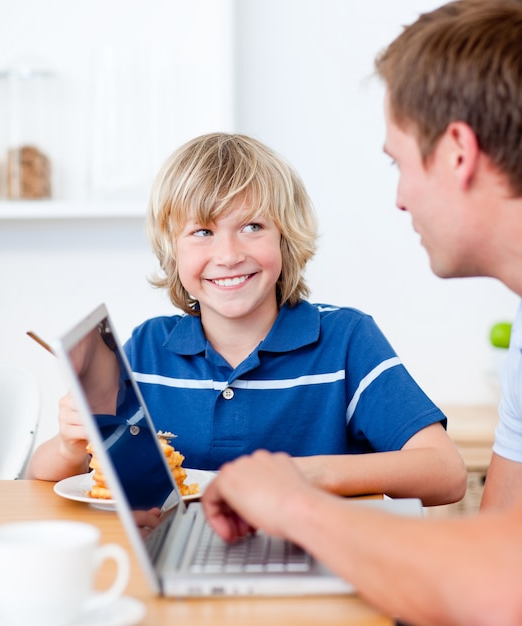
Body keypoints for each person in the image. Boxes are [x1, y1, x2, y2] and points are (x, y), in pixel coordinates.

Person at [201, 2, 522, 624]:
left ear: (458, 152)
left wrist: (294, 503)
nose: (400, 199)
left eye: (398, 162)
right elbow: (496, 546)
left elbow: (506, 586)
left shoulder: (344, 337)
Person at [28, 132, 465, 507]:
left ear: (285, 236)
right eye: (202, 232)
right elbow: (39, 478)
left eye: (253, 226)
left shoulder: (346, 340)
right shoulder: (146, 350)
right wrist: (71, 442)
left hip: (314, 562)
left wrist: (305, 477)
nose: (229, 254)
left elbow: (445, 473)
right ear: (172, 250)